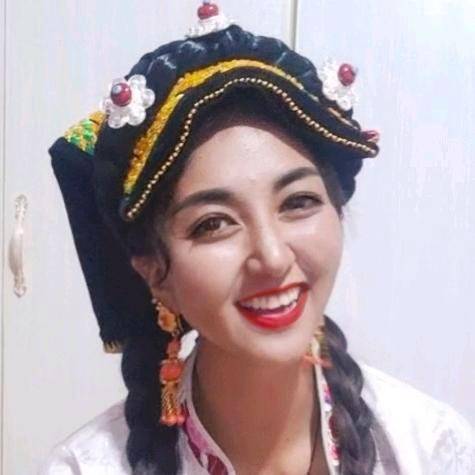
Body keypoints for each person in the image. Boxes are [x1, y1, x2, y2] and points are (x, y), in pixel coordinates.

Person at [40, 2, 474, 474]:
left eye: (298, 202)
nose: (271, 256)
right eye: (213, 223)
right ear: (155, 274)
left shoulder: (432, 450)